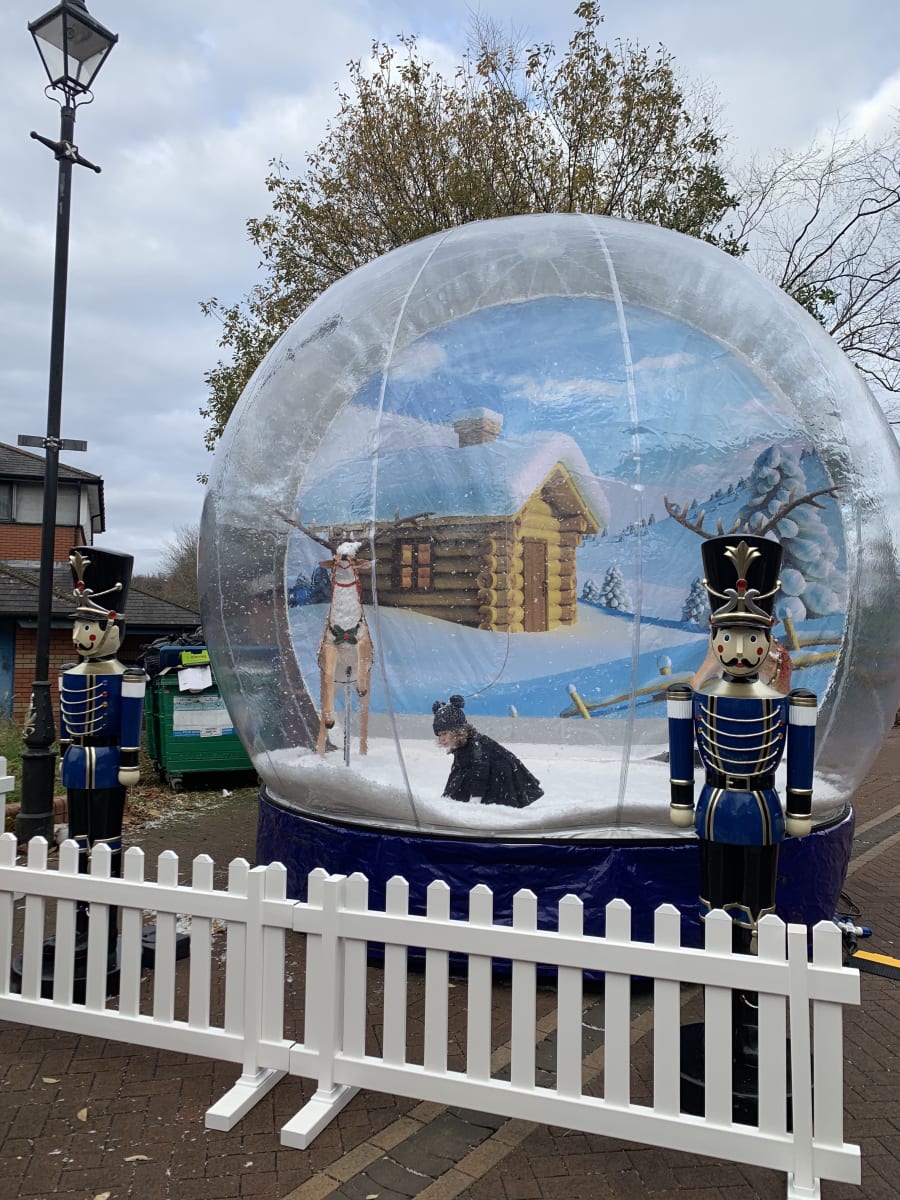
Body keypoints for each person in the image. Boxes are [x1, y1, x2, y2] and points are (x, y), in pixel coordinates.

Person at [432, 694, 543, 808]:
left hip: (501, 777)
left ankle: (495, 807)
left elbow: (480, 773)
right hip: (487, 772)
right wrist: (448, 795)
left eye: (445, 733)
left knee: (484, 776)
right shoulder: (461, 746)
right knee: (463, 771)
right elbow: (456, 772)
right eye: (439, 735)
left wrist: (475, 800)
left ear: (457, 731)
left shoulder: (475, 745)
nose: (441, 739)